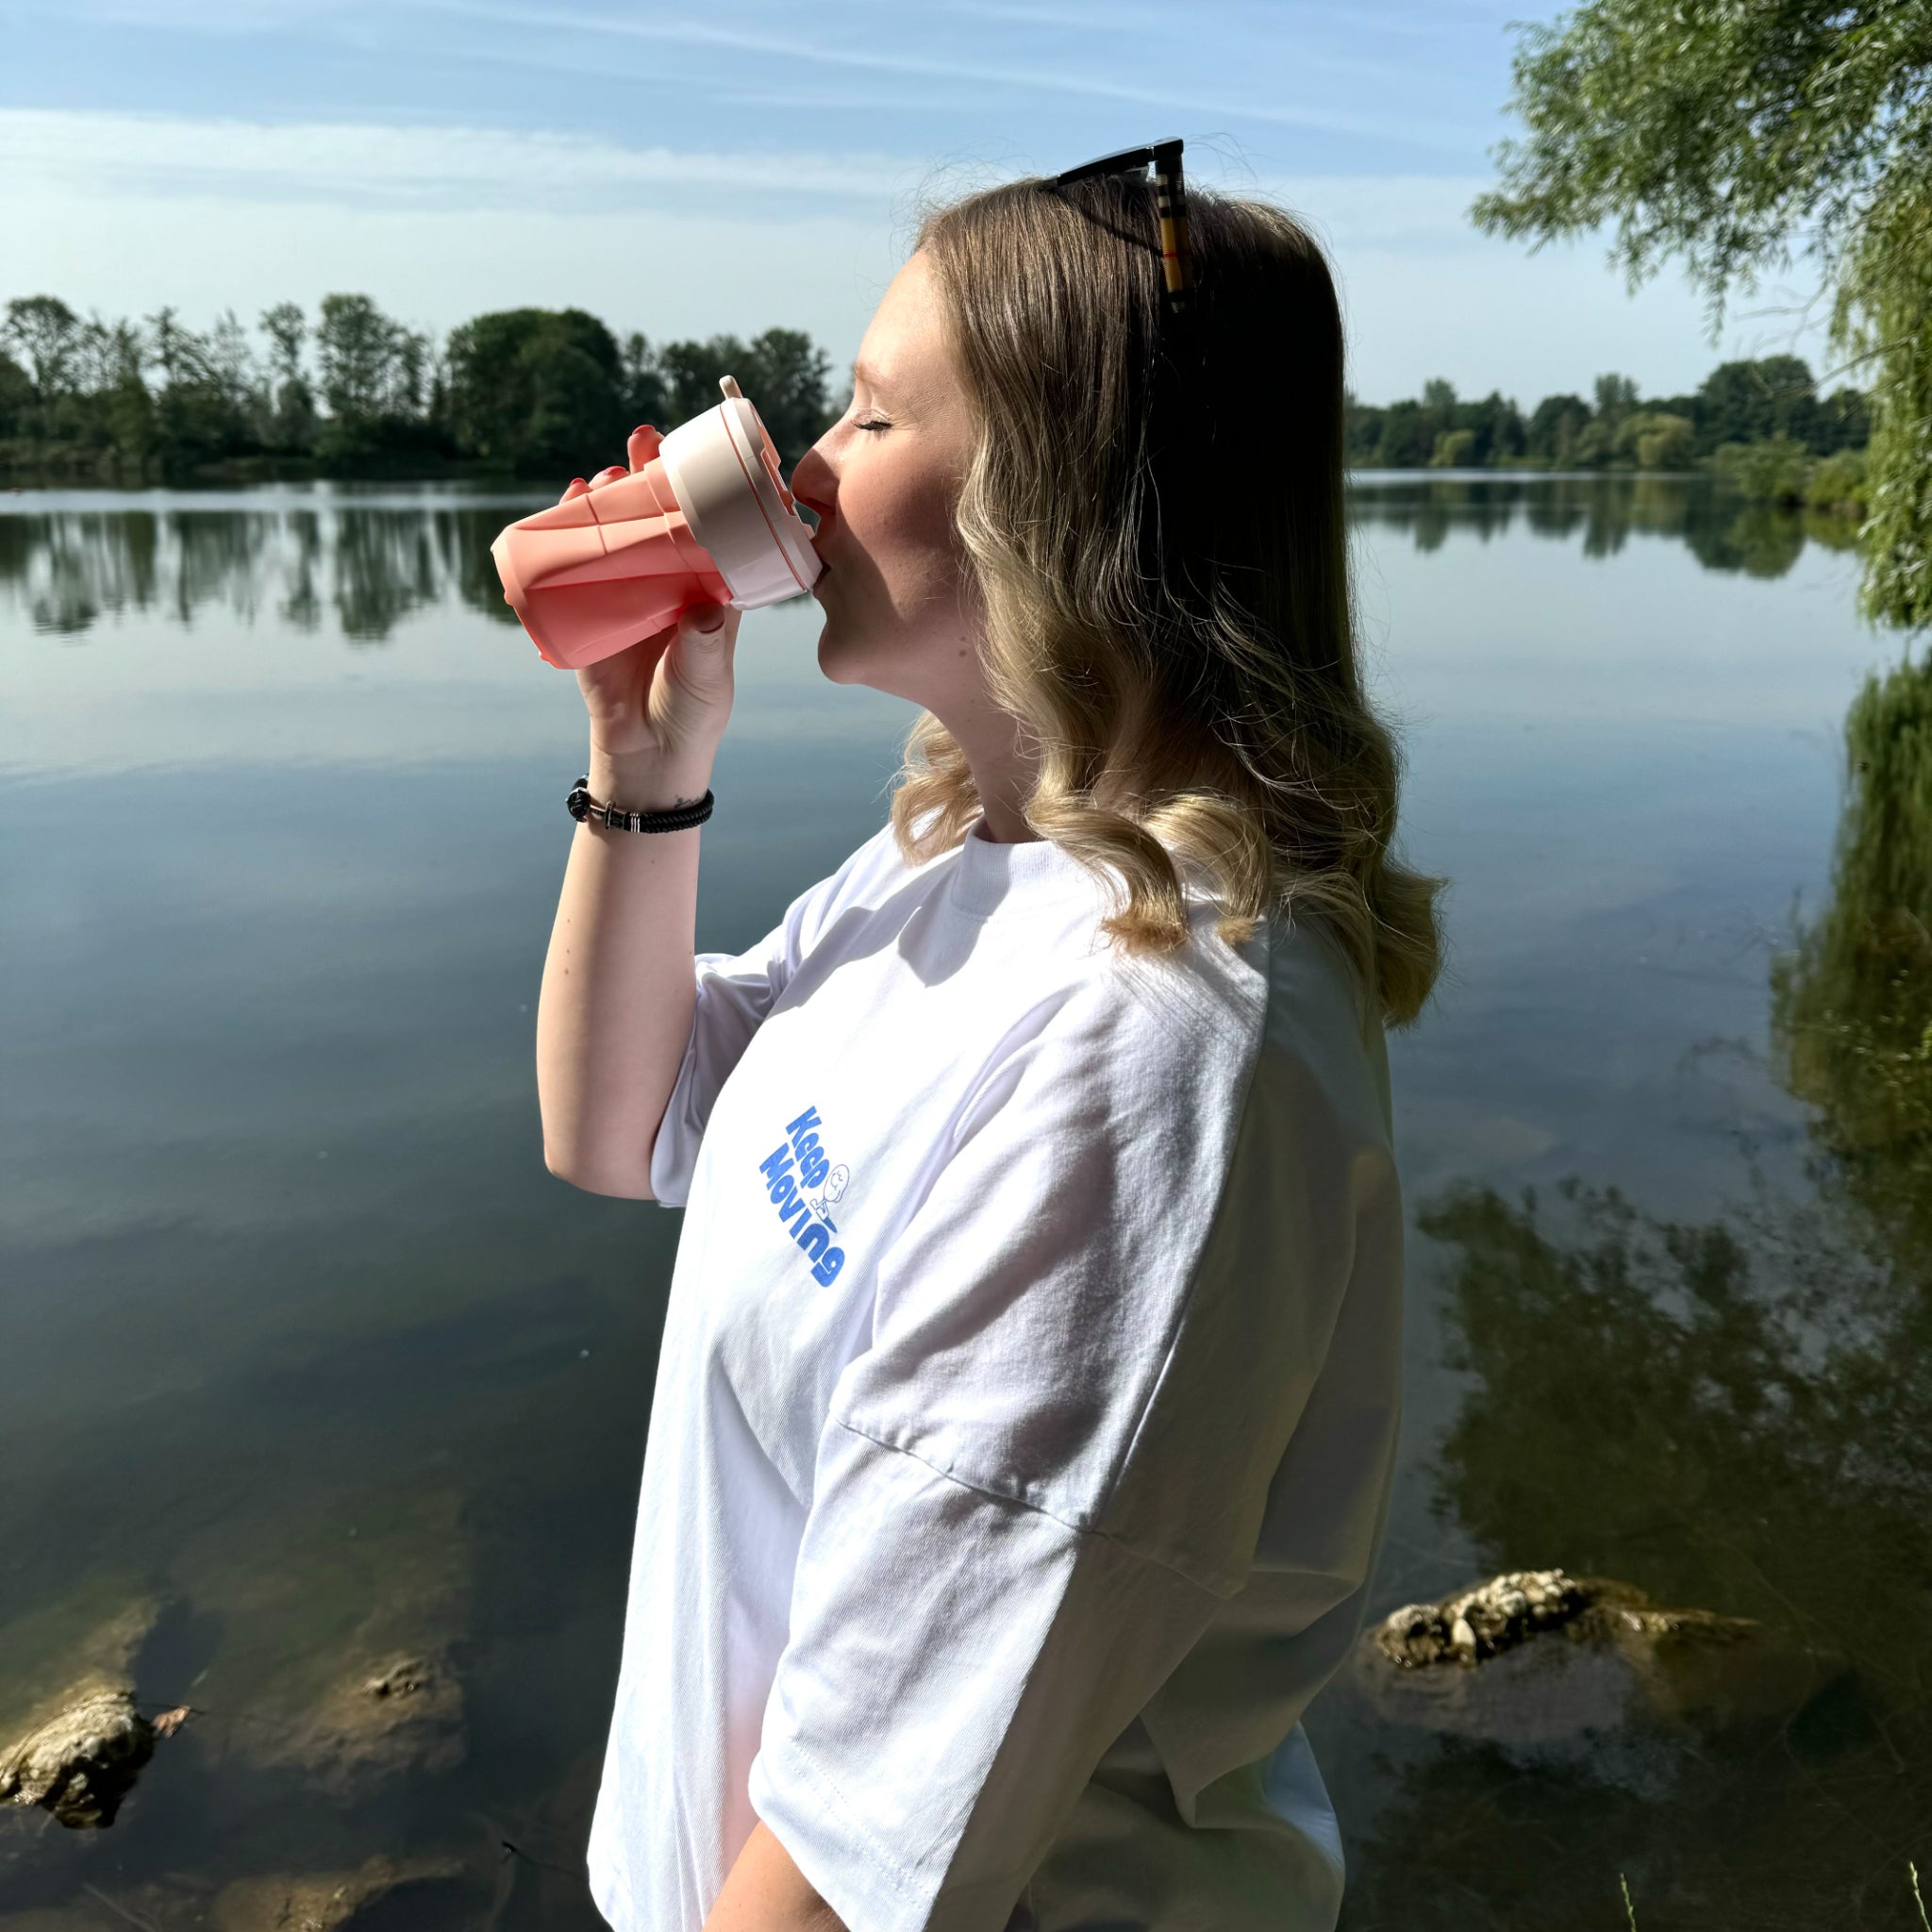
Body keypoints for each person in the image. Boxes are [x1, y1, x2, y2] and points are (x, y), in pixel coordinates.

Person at [538, 162, 1443, 1932]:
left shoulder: (1164, 1043)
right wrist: (642, 776)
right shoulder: (969, 848)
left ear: (1058, 496)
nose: (797, 466)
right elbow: (616, 1123)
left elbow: (866, 1853)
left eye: (870, 413)